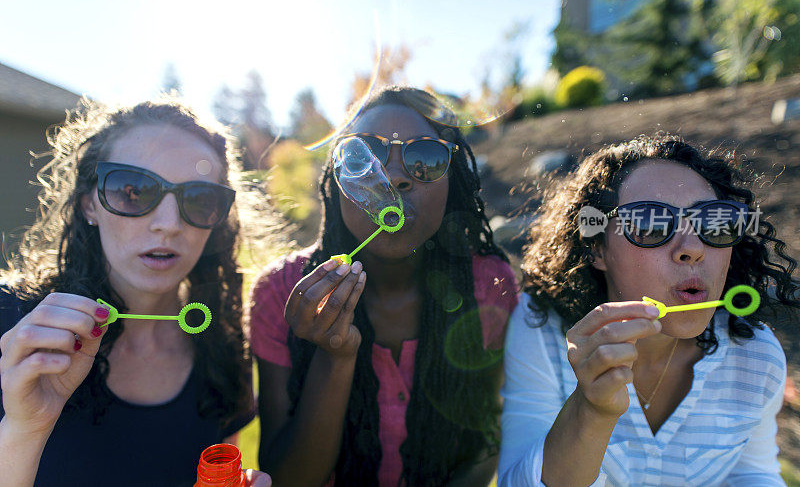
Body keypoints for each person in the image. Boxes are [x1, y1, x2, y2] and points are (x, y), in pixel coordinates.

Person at [250, 86, 519, 486]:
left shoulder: (488, 285)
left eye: (424, 158)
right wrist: (335, 357)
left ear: (454, 182)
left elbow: (484, 441)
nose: (393, 176)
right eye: (366, 156)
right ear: (336, 178)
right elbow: (286, 478)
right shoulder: (281, 292)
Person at [498, 135, 799, 486]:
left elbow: (751, 473)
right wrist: (591, 410)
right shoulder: (543, 331)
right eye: (651, 223)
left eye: (714, 222)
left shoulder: (755, 355)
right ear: (597, 248)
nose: (692, 249)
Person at [0, 98, 270, 486]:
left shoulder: (224, 349)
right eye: (134, 190)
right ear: (89, 205)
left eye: (198, 198)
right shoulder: (14, 327)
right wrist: (25, 429)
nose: (169, 224)